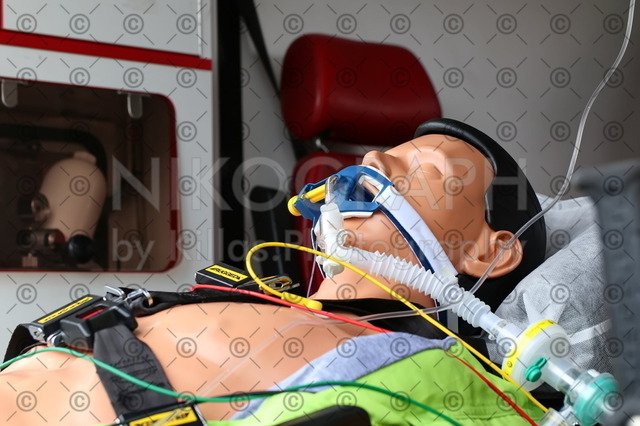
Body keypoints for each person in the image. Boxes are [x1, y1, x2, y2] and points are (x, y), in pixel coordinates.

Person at [0, 119, 546, 425]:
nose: (375, 159)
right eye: (389, 151)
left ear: (490, 252)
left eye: (428, 169)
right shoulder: (246, 293)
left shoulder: (447, 382)